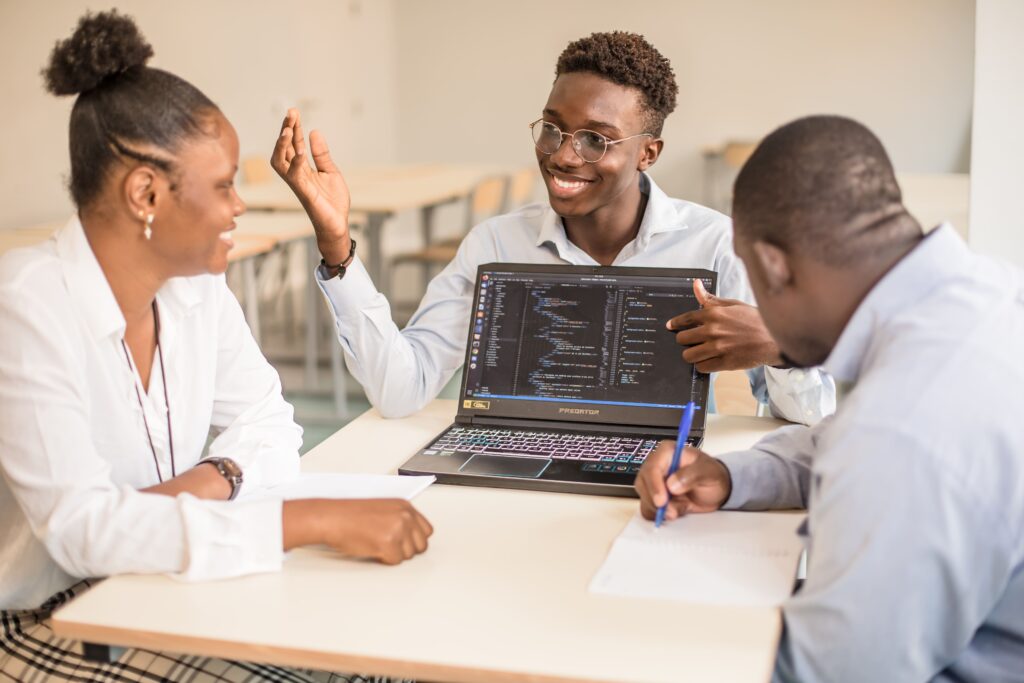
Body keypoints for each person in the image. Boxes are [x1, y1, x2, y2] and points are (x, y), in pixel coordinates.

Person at [0, 12, 429, 682]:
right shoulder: (26, 305)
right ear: (145, 193)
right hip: (46, 614)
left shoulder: (192, 290)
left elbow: (270, 423)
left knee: (380, 659)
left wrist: (209, 478)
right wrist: (307, 518)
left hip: (160, 578)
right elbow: (82, 533)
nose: (240, 207)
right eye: (225, 183)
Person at [272, 31, 835, 426]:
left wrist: (782, 348)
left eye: (597, 139)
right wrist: (337, 245)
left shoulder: (716, 246)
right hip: (518, 470)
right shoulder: (495, 245)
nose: (563, 156)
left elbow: (813, 416)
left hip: (667, 482)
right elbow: (401, 390)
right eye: (552, 128)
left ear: (649, 153)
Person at [635, 115, 1024, 681]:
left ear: (772, 265)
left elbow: (833, 672)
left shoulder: (901, 427)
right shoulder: (982, 296)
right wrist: (733, 476)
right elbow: (849, 441)